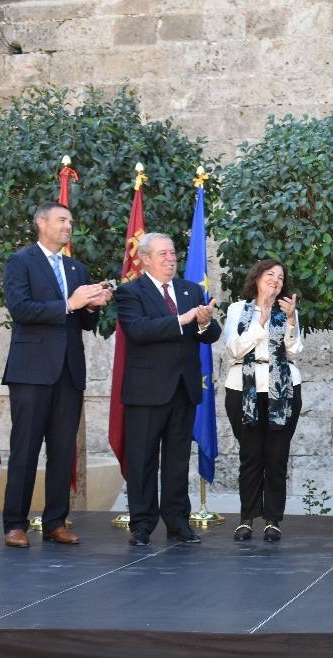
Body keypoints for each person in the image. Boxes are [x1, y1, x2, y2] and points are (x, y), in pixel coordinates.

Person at [1, 202, 111, 548]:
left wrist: (93, 305)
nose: (68, 226)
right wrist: (70, 303)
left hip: (68, 372)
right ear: (41, 222)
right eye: (62, 220)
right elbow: (20, 309)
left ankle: (55, 521)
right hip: (31, 372)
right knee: (25, 448)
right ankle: (15, 524)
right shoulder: (21, 262)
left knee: (63, 451)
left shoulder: (76, 268)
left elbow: (84, 322)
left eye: (71, 222)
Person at [115, 232, 221, 547]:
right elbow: (137, 330)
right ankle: (143, 525)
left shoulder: (191, 290)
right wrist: (183, 319)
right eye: (162, 254)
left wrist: (202, 321)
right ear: (144, 259)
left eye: (173, 253)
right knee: (143, 460)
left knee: (177, 460)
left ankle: (178, 522)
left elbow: (210, 334)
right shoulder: (130, 292)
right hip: (146, 391)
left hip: (183, 388)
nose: (170, 259)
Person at [222, 260, 303, 543]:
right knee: (251, 455)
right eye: (270, 274)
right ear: (256, 277)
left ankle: (272, 520)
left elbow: (293, 351)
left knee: (276, 457)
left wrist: (291, 321)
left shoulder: (288, 311)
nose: (276, 280)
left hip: (283, 389)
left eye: (281, 277)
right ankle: (246, 519)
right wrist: (262, 319)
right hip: (243, 387)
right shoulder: (237, 309)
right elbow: (234, 348)